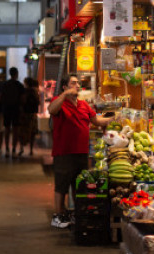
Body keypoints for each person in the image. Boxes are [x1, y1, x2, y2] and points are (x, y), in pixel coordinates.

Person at [47, 74, 113, 228]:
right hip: (64, 152)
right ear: (65, 87)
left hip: (81, 153)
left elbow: (96, 121)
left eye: (78, 83)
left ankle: (77, 214)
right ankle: (58, 216)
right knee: (61, 186)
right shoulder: (59, 102)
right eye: (73, 83)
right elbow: (51, 110)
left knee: (79, 185)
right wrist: (64, 95)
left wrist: (113, 118)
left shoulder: (83, 105)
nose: (77, 86)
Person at [0, 67, 25, 157]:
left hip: (6, 109)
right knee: (15, 130)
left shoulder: (4, 84)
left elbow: (0, 98)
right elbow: (23, 99)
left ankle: (6, 149)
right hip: (16, 109)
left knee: (7, 129)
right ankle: (13, 149)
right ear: (16, 74)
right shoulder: (19, 85)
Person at [18, 77, 40, 157]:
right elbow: (38, 102)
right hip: (33, 114)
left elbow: (22, 101)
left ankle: (21, 149)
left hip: (25, 114)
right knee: (32, 133)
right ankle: (31, 150)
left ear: (26, 83)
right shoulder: (35, 91)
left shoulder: (25, 91)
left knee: (22, 132)